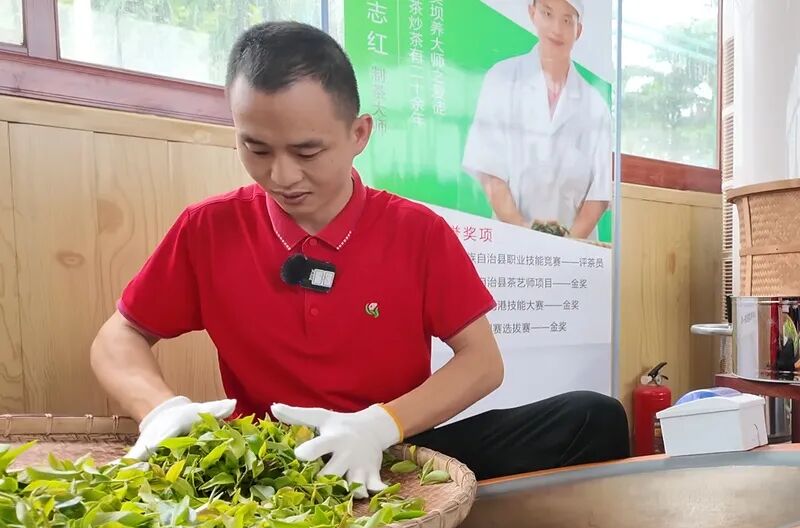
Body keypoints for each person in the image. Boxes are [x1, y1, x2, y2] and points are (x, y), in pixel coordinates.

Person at [90, 21, 629, 499]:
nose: (282, 176)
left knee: (593, 417)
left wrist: (379, 425)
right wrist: (159, 408)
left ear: (358, 134)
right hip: (268, 471)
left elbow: (482, 362)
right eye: (256, 149)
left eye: (307, 151)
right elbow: (119, 336)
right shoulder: (209, 229)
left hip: (399, 452)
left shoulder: (418, 233)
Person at [462, 0, 611, 241]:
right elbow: (489, 170)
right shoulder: (501, 78)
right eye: (547, 13)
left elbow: (599, 194)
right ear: (533, 14)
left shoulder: (596, 106)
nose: (557, 29)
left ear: (579, 30)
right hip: (511, 241)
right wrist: (526, 237)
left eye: (567, 20)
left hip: (575, 249)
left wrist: (568, 246)